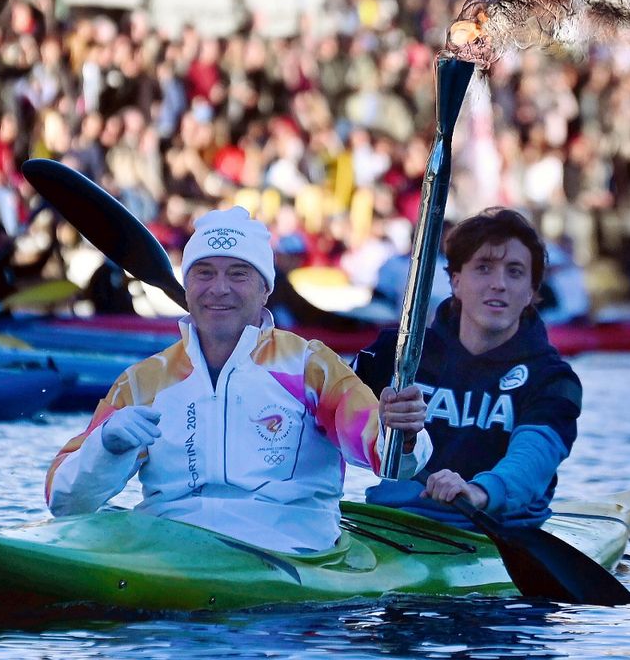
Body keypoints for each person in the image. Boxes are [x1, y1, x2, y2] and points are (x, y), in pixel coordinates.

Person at [46, 206, 431, 554]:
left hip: (289, 555)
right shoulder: (143, 381)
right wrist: (106, 446)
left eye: (238, 274)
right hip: (169, 548)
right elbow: (64, 502)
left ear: (266, 289)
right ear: (187, 285)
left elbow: (390, 460)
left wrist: (404, 434)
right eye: (204, 273)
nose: (219, 288)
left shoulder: (310, 367)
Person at [358, 208, 582, 530]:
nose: (499, 284)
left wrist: (479, 491)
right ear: (456, 282)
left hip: (491, 528)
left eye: (515, 272)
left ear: (532, 292)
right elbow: (323, 417)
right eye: (484, 268)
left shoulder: (554, 379)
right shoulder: (393, 354)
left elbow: (534, 458)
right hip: (388, 522)